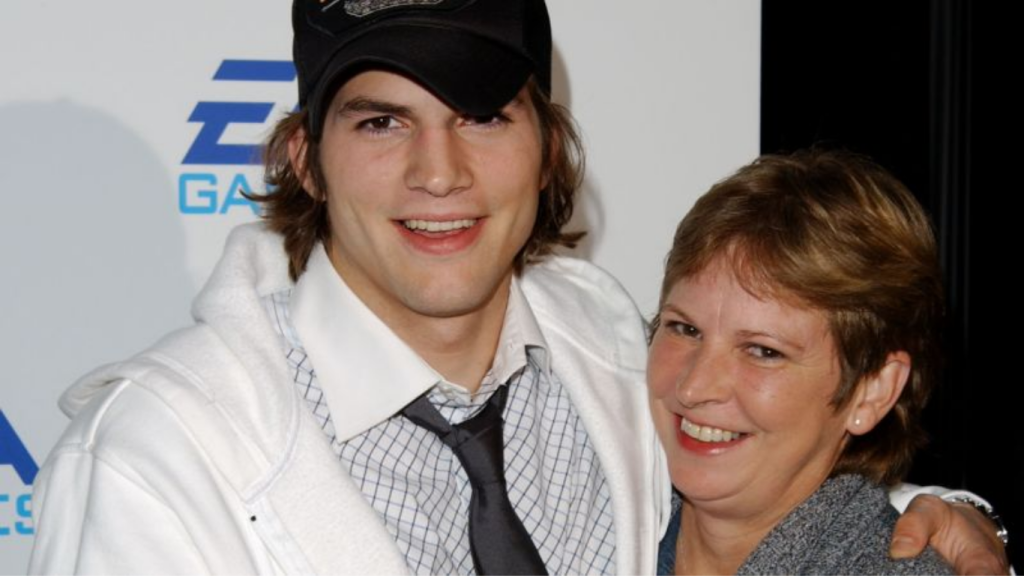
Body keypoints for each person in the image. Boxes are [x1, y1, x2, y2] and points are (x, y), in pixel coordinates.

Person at [27, 2, 1007, 575]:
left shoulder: (608, 349)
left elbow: (769, 479)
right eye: (381, 122)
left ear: (548, 151)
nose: (439, 171)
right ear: (305, 159)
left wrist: (927, 525)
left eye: (484, 117)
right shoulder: (149, 463)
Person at [649, 149, 958, 574]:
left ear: (873, 390)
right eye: (685, 329)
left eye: (763, 351)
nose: (693, 386)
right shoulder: (588, 523)